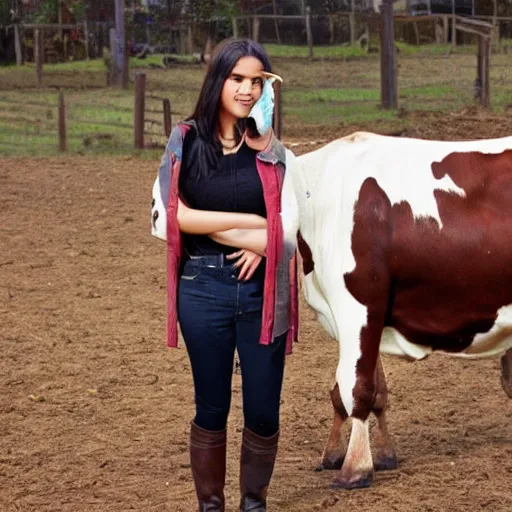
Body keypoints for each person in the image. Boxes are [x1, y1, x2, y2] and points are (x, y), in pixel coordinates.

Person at [151, 38, 299, 512]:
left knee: (263, 410)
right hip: (203, 289)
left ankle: (253, 503)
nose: (247, 89)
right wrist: (253, 229)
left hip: (262, 293)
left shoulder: (274, 152)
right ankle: (210, 506)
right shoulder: (186, 140)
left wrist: (266, 238)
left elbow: (292, 234)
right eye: (238, 78)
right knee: (211, 406)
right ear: (219, 79)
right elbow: (169, 217)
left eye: (257, 81)